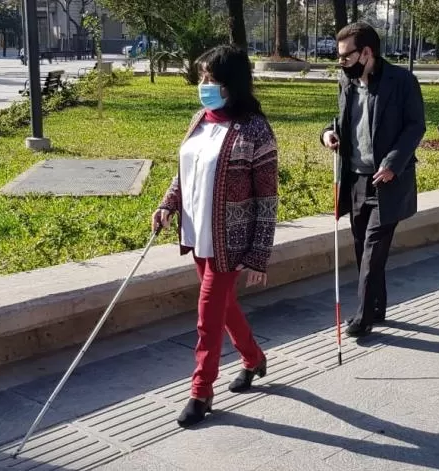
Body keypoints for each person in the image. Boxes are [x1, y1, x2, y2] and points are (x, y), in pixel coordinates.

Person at [152, 45, 279, 428]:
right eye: (202, 77)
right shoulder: (200, 119)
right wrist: (167, 204)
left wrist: (258, 255)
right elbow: (185, 171)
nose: (203, 85)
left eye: (211, 79)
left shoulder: (255, 130)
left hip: (231, 241)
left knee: (207, 317)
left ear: (232, 83)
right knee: (223, 308)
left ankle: (201, 391)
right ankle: (254, 359)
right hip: (198, 232)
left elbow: (267, 198)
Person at [319, 22, 426, 338]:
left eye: (346, 56)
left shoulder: (402, 81)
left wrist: (393, 163)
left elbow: (415, 126)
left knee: (372, 249)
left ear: (366, 53)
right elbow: (342, 120)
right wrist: (328, 133)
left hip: (387, 182)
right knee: (361, 247)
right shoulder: (346, 81)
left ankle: (363, 316)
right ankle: (377, 306)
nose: (341, 63)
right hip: (355, 179)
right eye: (339, 57)